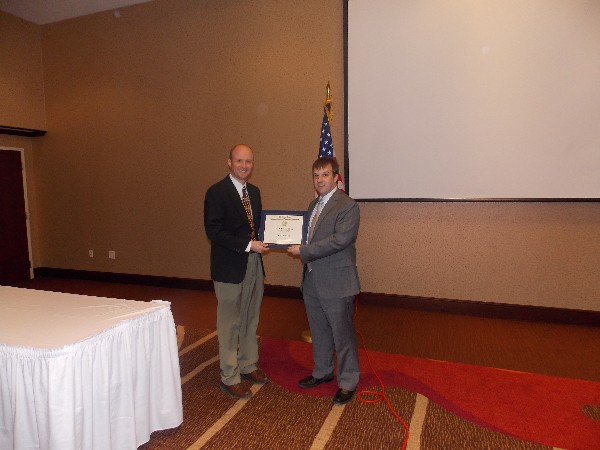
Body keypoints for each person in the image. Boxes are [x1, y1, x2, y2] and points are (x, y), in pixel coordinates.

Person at [287, 157, 361, 405]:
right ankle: (322, 371)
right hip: (312, 280)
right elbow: (307, 236)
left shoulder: (348, 206)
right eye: (316, 175)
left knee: (343, 335)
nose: (320, 180)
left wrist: (303, 251)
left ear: (336, 177)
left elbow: (340, 241)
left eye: (325, 175)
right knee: (318, 331)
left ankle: (348, 381)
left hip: (337, 282)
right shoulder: (312, 205)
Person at [204, 143, 270, 400]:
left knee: (251, 316)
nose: (244, 166)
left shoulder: (254, 191)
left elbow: (257, 226)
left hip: (254, 263)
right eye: (239, 161)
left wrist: (270, 239)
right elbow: (214, 231)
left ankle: (248, 364)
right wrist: (246, 245)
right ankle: (229, 375)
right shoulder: (216, 192)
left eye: (249, 162)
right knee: (229, 322)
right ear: (229, 162)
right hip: (229, 267)